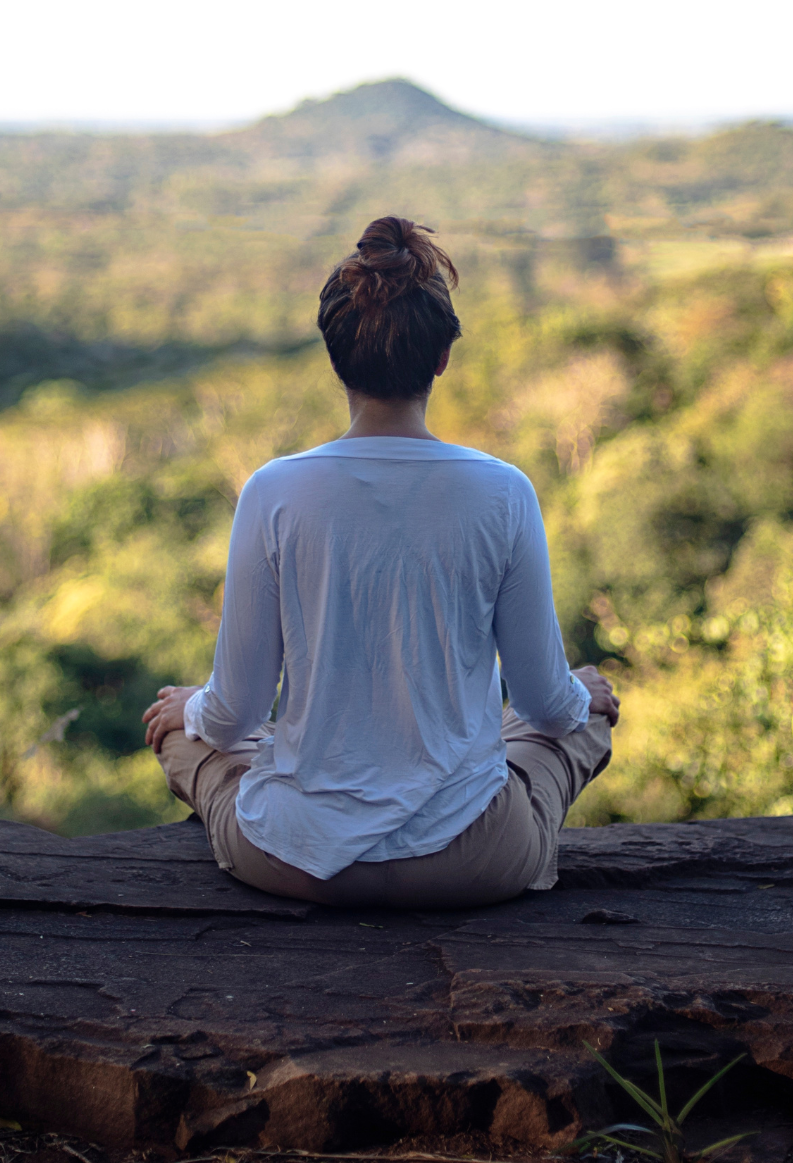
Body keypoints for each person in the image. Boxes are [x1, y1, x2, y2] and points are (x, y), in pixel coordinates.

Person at [143, 215, 619, 909]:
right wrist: (580, 696)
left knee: (183, 735)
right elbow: (545, 707)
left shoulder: (273, 490)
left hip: (297, 860)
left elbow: (236, 714)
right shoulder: (503, 490)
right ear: (441, 358)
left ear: (336, 356)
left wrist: (195, 709)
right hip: (474, 862)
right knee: (582, 710)